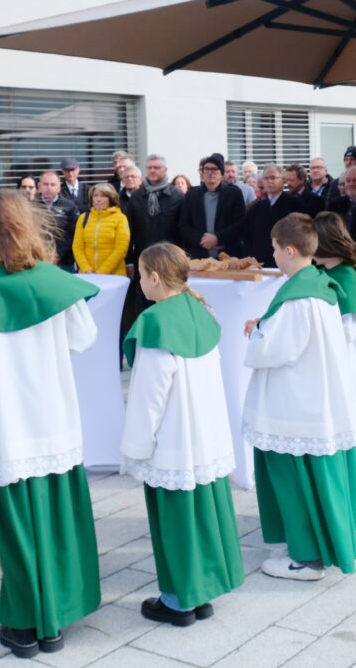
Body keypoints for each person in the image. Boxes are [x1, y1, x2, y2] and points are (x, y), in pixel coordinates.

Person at [0, 191, 101, 657]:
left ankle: (26, 626)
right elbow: (85, 338)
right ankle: (56, 621)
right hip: (54, 422)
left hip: (5, 429)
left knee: (17, 531)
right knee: (56, 524)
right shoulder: (54, 281)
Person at [121, 242, 243, 626]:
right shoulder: (200, 308)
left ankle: (178, 602)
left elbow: (149, 396)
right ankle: (202, 593)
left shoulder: (156, 322)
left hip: (173, 439)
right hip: (204, 433)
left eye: (140, 274)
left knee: (176, 523)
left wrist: (136, 446)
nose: (138, 281)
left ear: (154, 277)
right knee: (202, 518)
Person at [243, 213, 356, 581]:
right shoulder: (317, 285)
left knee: (295, 482)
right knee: (311, 480)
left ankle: (306, 559)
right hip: (313, 399)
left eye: (275, 249)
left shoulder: (297, 296)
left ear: (290, 250)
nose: (273, 255)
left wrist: (257, 334)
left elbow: (277, 349)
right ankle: (304, 546)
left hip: (294, 405)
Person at [313, 212, 356, 529]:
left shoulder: (344, 285)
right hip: (349, 376)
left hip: (346, 379)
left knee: (349, 437)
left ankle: (354, 514)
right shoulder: (339, 278)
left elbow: (340, 339)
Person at [178, 156, 246, 258]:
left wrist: (218, 239)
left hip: (229, 255)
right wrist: (203, 240)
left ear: (222, 174)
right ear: (202, 173)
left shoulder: (234, 194)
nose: (210, 172)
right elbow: (184, 225)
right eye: (207, 169)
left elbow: (240, 223)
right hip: (200, 255)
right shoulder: (192, 195)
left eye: (214, 169)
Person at [126, 157, 184, 274]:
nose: (152, 170)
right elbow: (129, 231)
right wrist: (129, 261)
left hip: (170, 258)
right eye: (149, 167)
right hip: (143, 257)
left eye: (156, 167)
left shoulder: (177, 196)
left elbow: (183, 229)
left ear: (165, 169)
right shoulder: (136, 197)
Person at [241, 165, 302, 266]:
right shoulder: (256, 208)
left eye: (273, 178)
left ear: (283, 180)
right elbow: (248, 236)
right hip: (261, 263)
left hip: (287, 261)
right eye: (266, 178)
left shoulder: (295, 204)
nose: (269, 181)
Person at [73, 183, 131, 276]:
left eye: (103, 196)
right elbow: (77, 247)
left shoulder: (120, 218)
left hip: (113, 275)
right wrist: (86, 269)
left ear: (111, 198)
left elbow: (121, 250)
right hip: (87, 275)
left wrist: (101, 273)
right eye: (95, 196)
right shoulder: (83, 218)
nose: (98, 199)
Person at [37, 171, 80, 271]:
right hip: (38, 260)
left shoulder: (69, 206)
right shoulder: (31, 206)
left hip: (64, 261)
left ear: (59, 187)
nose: (49, 188)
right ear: (39, 186)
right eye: (45, 184)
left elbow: (73, 234)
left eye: (53, 184)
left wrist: (58, 253)